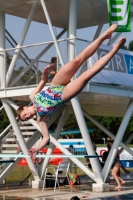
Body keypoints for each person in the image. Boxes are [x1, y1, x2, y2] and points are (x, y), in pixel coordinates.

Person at [17, 24, 126, 159]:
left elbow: (42, 82)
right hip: (63, 95)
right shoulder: (41, 119)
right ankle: (114, 50)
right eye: (26, 118)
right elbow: (45, 137)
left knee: (77, 60)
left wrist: (45, 73)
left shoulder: (32, 96)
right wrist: (36, 149)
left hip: (55, 84)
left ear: (25, 107)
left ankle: (105, 35)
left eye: (24, 114)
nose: (27, 116)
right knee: (87, 75)